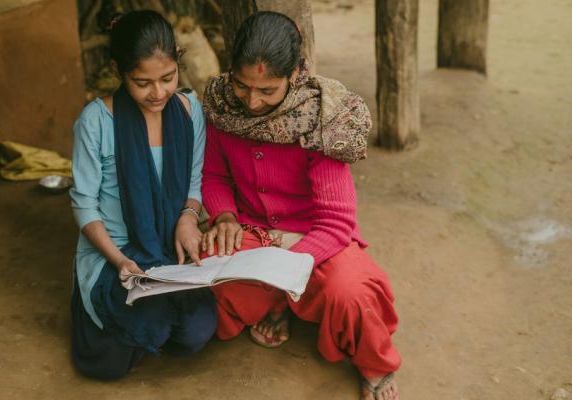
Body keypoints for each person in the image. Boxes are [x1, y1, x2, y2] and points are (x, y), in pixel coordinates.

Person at [201, 11, 401, 400]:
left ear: (294, 75)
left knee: (351, 295)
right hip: (253, 233)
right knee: (204, 273)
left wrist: (287, 257)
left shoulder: (324, 120)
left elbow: (336, 223)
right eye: (243, 86)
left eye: (268, 90)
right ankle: (280, 301)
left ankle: (375, 366)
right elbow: (215, 177)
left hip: (316, 239)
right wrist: (224, 216)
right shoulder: (221, 107)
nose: (252, 102)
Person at [69, 10, 216, 380]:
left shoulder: (188, 110)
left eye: (168, 78)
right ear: (119, 71)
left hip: (169, 247)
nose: (158, 93)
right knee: (113, 358)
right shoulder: (96, 121)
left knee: (196, 333)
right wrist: (119, 261)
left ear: (178, 59)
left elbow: (193, 183)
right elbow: (85, 206)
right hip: (117, 253)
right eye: (142, 82)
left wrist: (186, 215)